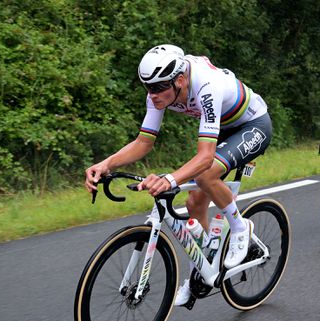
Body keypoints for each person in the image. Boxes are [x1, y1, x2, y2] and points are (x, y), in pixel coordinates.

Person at [84, 44, 272, 306]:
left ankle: (241, 228)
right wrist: (106, 164)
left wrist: (170, 179)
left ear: (180, 80)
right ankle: (207, 268)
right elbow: (143, 142)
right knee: (194, 202)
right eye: (148, 88)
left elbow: (205, 157)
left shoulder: (206, 86)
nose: (153, 95)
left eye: (159, 88)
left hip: (252, 125)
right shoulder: (159, 91)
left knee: (206, 175)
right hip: (223, 128)